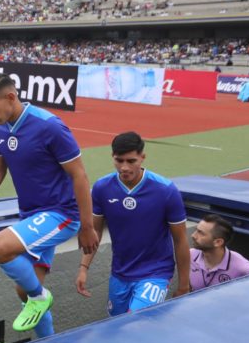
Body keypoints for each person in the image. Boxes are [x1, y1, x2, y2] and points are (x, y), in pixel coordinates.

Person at [0, 72, 98, 337]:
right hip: (31, 214)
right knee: (24, 290)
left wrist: (88, 225)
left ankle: (39, 296)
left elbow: (79, 175)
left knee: (0, 247)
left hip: (62, 214)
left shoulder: (49, 126)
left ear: (11, 97)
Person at [76, 132, 191, 315]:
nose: (124, 167)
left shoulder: (166, 190)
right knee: (116, 327)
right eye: (119, 160)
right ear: (112, 157)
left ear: (142, 158)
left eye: (131, 161)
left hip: (156, 273)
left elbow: (180, 240)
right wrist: (83, 268)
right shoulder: (101, 188)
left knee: (135, 323)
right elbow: (94, 231)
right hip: (120, 274)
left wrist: (184, 285)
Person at [189, 214, 249, 291]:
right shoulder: (190, 255)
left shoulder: (243, 267)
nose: (193, 235)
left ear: (218, 242)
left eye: (201, 233)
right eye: (196, 230)